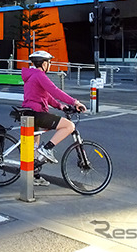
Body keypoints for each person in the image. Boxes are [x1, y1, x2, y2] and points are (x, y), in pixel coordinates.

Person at [21, 50, 87, 186]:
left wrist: (61, 106)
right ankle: (48, 149)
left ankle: (34, 176)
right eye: (49, 62)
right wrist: (75, 102)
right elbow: (55, 91)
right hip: (37, 114)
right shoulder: (39, 75)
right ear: (44, 63)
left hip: (29, 113)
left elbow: (47, 96)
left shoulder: (32, 75)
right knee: (69, 126)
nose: (50, 65)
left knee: (33, 147)